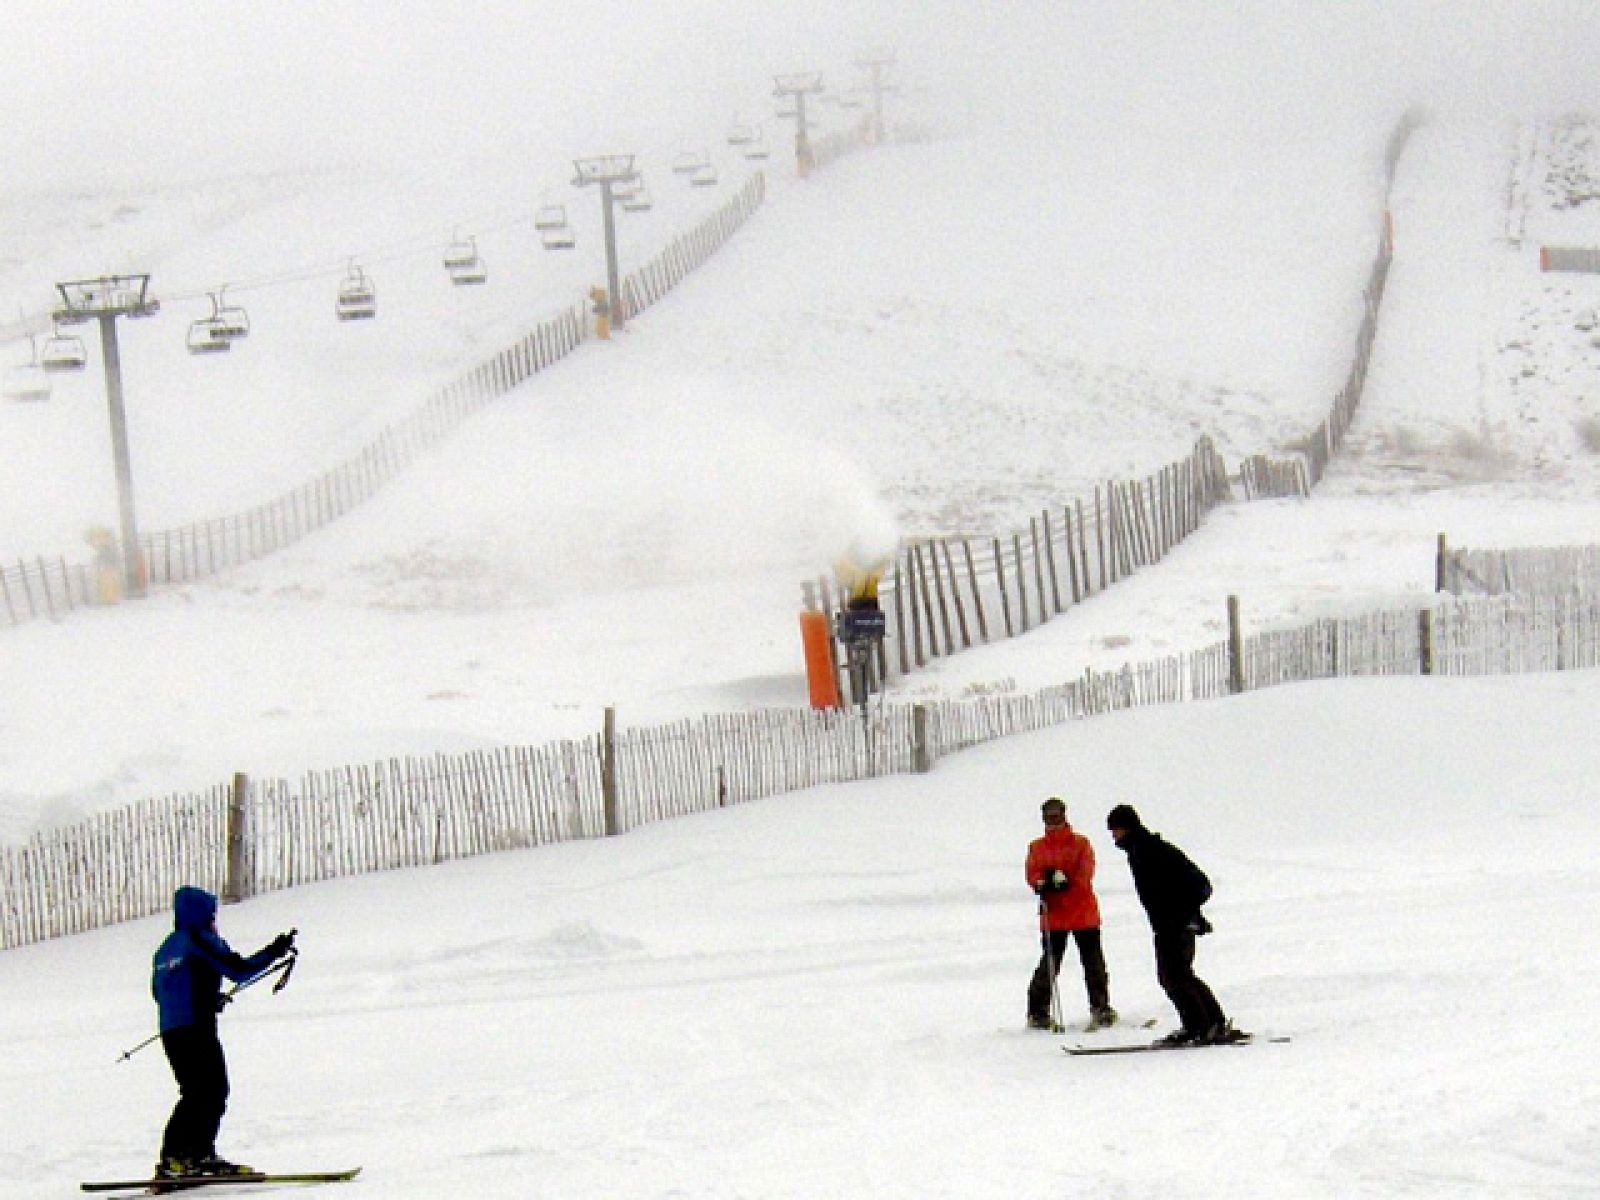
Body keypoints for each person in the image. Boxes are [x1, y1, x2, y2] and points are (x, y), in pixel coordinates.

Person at [150, 886, 296, 1181]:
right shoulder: (200, 940)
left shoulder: (166, 948)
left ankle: (190, 1156)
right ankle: (179, 1158)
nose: (215, 920)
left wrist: (204, 998)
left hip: (172, 1031)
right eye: (212, 914)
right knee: (209, 1091)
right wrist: (276, 950)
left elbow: (160, 991)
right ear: (202, 914)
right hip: (196, 1028)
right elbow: (239, 969)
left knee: (198, 1091)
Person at [1105, 803, 1241, 1046]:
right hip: (1168, 924)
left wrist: (1183, 913)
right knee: (1178, 975)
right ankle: (1209, 1024)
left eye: (1115, 829)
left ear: (1127, 827)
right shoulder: (1140, 850)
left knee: (1174, 976)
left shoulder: (1152, 850)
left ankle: (1202, 1026)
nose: (1113, 835)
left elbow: (1200, 885)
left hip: (1175, 925)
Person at [1025, 796, 1115, 1031]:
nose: (1052, 821)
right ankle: (1037, 1012)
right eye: (1048, 817)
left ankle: (1101, 1008)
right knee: (1049, 964)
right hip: (1053, 915)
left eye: (1056, 816)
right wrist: (1042, 884)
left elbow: (1085, 875)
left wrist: (1062, 884)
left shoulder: (1080, 843)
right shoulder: (1037, 847)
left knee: (1093, 963)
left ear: (1065, 816)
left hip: (1082, 913)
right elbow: (1032, 874)